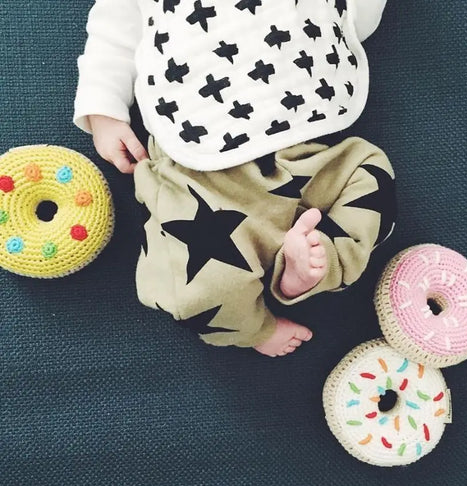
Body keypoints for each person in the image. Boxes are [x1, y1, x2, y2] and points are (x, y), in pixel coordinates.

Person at [74, 0, 396, 357]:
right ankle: (253, 328)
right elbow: (112, 33)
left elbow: (355, 20)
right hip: (202, 176)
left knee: (371, 175)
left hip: (308, 155)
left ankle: (310, 269)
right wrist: (103, 109)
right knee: (193, 288)